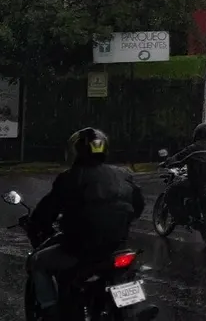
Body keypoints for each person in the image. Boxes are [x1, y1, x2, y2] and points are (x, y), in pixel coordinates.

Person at [28, 127, 144, 320]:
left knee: (37, 262)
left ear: (77, 150)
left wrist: (36, 224)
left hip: (81, 249)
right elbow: (138, 205)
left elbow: (46, 211)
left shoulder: (70, 177)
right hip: (118, 246)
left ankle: (50, 311)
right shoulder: (123, 174)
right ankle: (131, 306)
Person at [162, 122, 206, 222]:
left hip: (197, 183)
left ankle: (182, 218)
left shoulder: (195, 147)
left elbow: (179, 158)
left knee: (171, 191)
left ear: (198, 133)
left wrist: (167, 162)